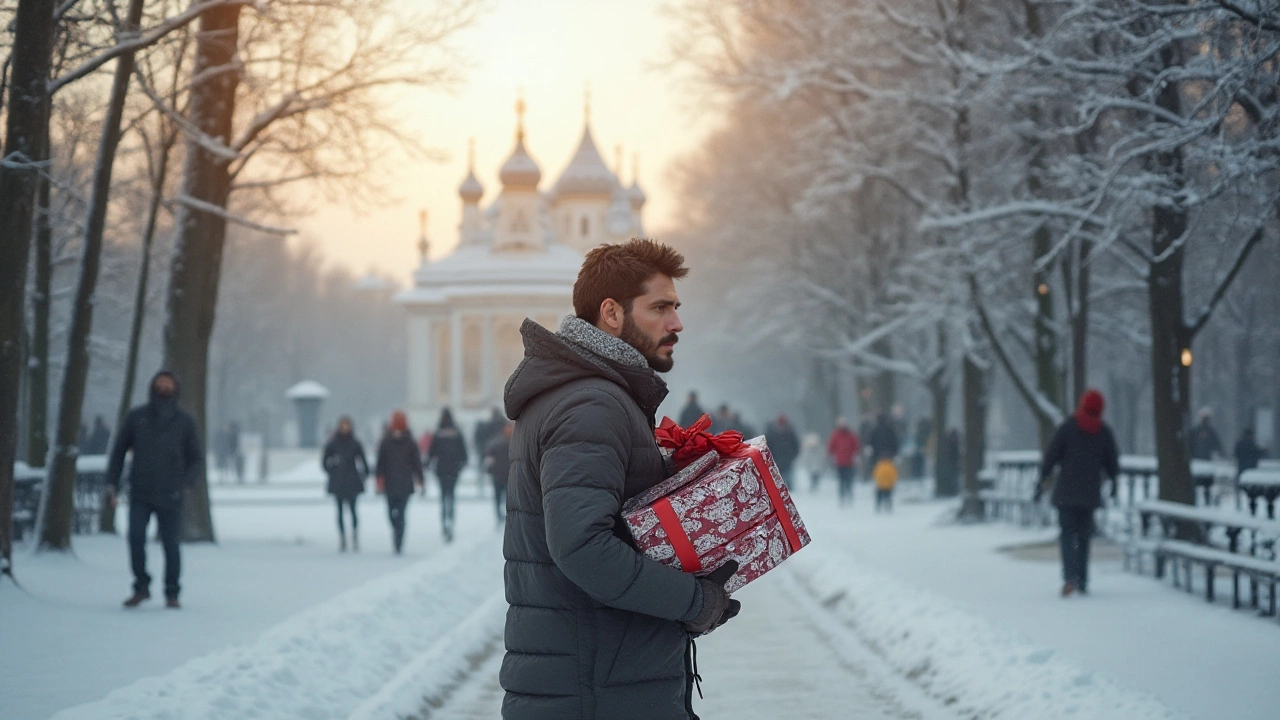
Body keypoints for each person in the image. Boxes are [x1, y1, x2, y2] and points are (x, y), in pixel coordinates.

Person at [501, 239, 740, 720]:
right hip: (597, 693)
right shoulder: (591, 404)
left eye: (676, 307)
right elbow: (582, 546)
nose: (676, 323)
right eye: (660, 308)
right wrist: (694, 602)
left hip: (601, 681)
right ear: (611, 313)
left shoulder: (593, 395)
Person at [104, 371, 203, 609]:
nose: (164, 388)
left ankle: (172, 592)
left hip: (172, 493)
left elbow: (196, 458)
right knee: (135, 538)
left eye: (169, 384)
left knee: (171, 544)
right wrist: (111, 483)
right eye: (160, 384)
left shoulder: (185, 422)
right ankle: (141, 586)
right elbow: (118, 452)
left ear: (176, 389)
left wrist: (187, 483)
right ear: (152, 387)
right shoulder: (136, 418)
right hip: (140, 491)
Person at [1035, 389, 1120, 598]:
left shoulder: (1069, 427)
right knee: (1084, 537)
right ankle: (1083, 579)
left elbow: (1052, 454)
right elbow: (1112, 461)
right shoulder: (1103, 431)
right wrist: (1114, 481)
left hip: (1066, 492)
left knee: (1066, 534)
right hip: (1089, 493)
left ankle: (1069, 577)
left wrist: (1043, 477)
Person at [375, 411, 423, 554]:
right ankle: (396, 531)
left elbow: (416, 463)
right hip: (390, 483)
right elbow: (380, 463)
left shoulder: (410, 442)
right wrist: (379, 479)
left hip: (404, 483)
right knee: (391, 513)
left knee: (401, 513)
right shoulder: (386, 441)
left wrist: (420, 479)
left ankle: (399, 539)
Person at [323, 416, 369, 552]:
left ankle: (354, 534)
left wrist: (364, 474)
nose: (345, 428)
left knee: (353, 511)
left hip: (352, 480)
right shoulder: (333, 443)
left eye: (347, 425)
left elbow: (363, 460)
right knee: (340, 511)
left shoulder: (355, 443)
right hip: (338, 481)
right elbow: (325, 461)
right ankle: (342, 536)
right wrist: (332, 468)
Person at [425, 407, 468, 542]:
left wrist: (429, 464)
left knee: (443, 496)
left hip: (441, 469)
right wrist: (460, 465)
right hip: (453, 469)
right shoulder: (456, 432)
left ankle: (444, 521)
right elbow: (463, 452)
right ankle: (450, 519)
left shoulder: (438, 433)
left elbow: (431, 452)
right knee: (451, 495)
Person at [484, 421, 513, 525]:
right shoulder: (511, 442)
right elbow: (489, 460)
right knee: (503, 497)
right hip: (503, 474)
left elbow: (489, 459)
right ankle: (501, 516)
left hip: (503, 474)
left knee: (501, 497)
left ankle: (501, 515)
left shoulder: (495, 442)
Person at [827, 418, 861, 506]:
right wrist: (831, 457)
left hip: (849, 462)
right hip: (839, 462)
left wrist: (856, 456)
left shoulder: (851, 435)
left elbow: (856, 446)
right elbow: (831, 447)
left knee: (849, 480)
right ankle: (842, 498)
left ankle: (850, 496)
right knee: (841, 481)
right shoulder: (835, 435)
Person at [765, 414, 801, 482]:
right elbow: (767, 446)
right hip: (775, 461)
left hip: (788, 462)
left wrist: (792, 457)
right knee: (778, 482)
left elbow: (796, 446)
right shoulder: (771, 434)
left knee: (789, 481)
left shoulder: (790, 433)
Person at [937, 428, 961, 497]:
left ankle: (954, 491)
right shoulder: (954, 443)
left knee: (954, 478)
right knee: (954, 478)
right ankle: (954, 491)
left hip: (952, 463)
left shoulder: (950, 443)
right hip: (953, 463)